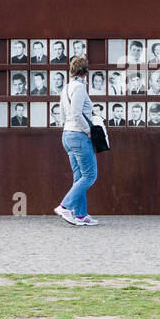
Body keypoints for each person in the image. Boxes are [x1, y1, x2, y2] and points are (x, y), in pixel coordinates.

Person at [57, 55, 99, 226]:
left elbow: (62, 115)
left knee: (79, 176)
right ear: (85, 72)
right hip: (78, 135)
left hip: (67, 134)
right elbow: (76, 113)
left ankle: (80, 214)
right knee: (90, 175)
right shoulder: (80, 88)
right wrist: (89, 131)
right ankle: (65, 206)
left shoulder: (66, 88)